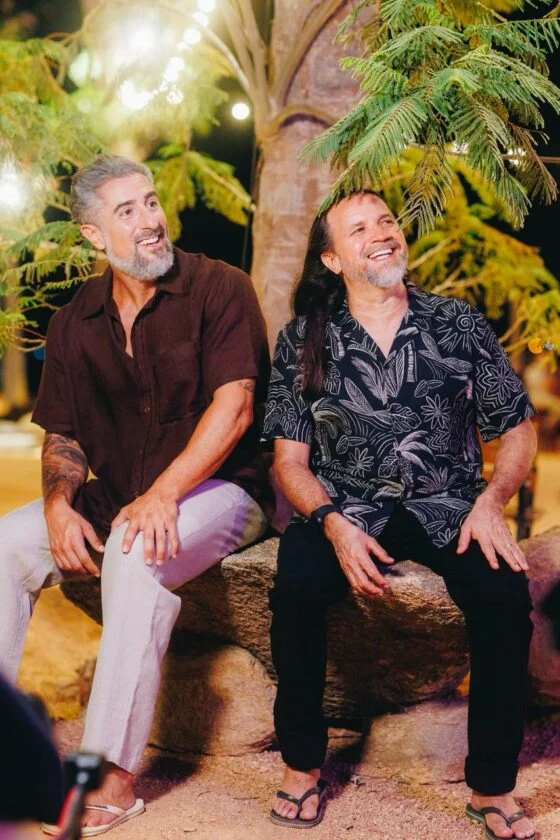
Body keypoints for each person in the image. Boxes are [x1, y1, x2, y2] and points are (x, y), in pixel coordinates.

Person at [0, 154, 270, 836]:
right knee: (5, 544)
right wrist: (58, 507)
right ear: (94, 235)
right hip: (119, 494)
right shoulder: (74, 322)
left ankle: (110, 776)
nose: (151, 220)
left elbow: (236, 406)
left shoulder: (219, 287)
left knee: (132, 546)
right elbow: (62, 435)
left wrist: (164, 492)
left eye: (151, 202)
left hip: (224, 491)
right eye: (128, 211)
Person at [263, 191, 537, 839]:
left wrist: (491, 502)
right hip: (346, 504)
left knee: (504, 596)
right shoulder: (304, 338)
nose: (382, 233)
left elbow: (518, 428)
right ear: (332, 259)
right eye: (359, 229)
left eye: (386, 220)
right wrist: (331, 524)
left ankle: (491, 785)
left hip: (449, 502)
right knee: (296, 587)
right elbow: (289, 463)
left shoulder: (456, 322)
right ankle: (302, 765)